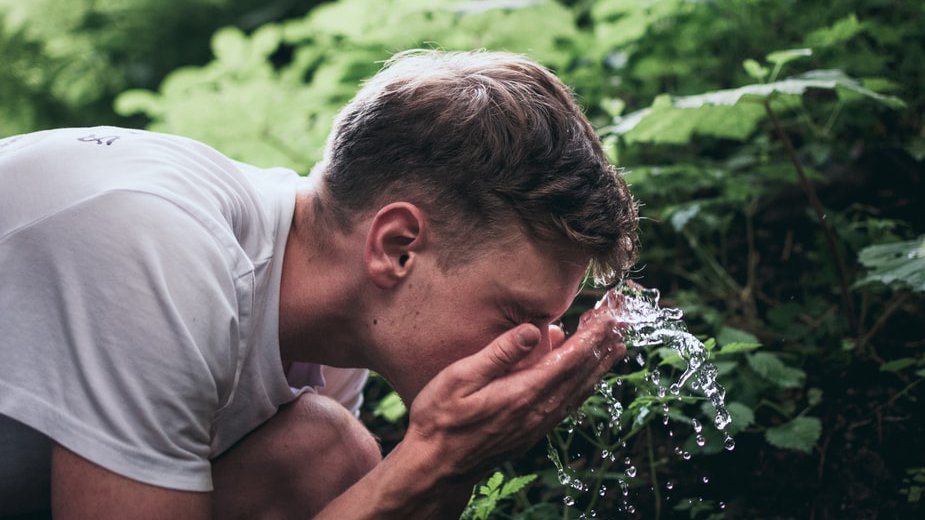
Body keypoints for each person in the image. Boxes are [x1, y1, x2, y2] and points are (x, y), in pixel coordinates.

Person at [0, 49, 638, 518]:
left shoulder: (327, 323)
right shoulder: (161, 250)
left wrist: (454, 463)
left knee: (324, 455)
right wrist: (437, 456)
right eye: (514, 316)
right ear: (396, 247)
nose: (535, 348)